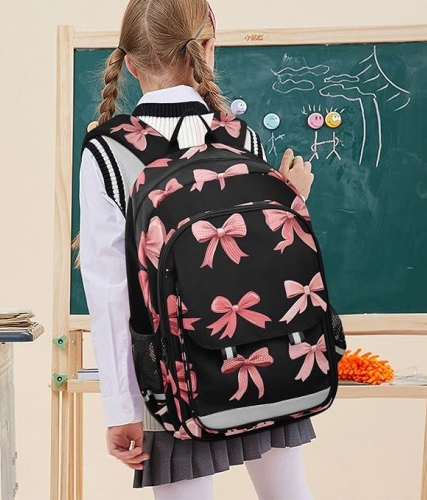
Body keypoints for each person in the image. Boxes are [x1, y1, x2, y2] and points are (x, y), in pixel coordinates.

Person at [75, 1, 315, 498]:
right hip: (264, 363)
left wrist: (122, 408)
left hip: (171, 383)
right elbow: (262, 268)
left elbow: (110, 293)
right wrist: (291, 197)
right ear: (206, 47)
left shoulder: (106, 153)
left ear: (130, 64)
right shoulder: (240, 137)